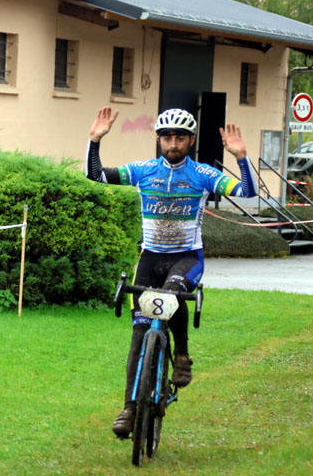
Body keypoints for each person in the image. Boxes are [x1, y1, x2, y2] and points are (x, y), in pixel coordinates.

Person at [85, 107, 258, 439]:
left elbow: (246, 193)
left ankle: (181, 354)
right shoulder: (144, 170)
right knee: (138, 335)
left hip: (186, 258)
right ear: (159, 140)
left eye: (180, 137)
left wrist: (241, 157)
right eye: (167, 137)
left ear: (191, 141)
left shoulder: (204, 174)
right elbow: (97, 176)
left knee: (172, 294)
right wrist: (95, 140)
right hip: (149, 258)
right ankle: (131, 408)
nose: (173, 143)